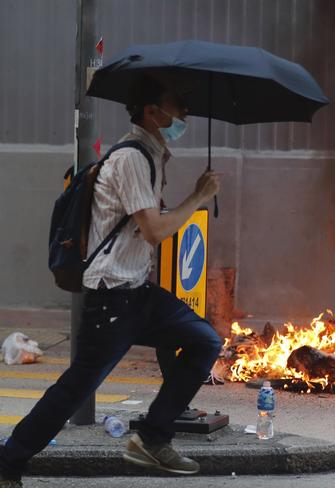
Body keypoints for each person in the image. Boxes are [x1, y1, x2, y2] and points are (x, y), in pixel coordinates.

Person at [0, 75, 222, 487]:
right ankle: (9, 462)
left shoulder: (153, 155)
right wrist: (197, 198)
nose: (185, 113)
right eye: (177, 104)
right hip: (112, 299)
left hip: (138, 292)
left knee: (204, 340)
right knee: (74, 391)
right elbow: (154, 229)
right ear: (153, 112)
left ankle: (153, 439)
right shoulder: (132, 158)